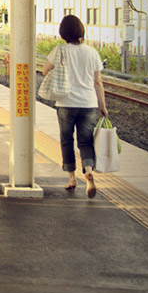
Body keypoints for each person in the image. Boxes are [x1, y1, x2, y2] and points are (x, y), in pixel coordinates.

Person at [42, 14, 108, 198]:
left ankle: (72, 178)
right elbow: (98, 82)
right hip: (89, 103)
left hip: (66, 103)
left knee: (67, 140)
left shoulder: (60, 51)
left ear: (63, 32)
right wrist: (102, 106)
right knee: (86, 141)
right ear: (81, 31)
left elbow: (44, 70)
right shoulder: (92, 52)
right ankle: (88, 169)